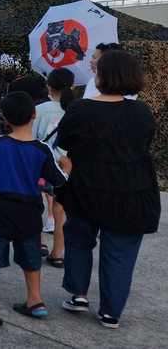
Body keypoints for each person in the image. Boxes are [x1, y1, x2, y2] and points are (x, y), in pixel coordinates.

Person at [56, 50, 160, 329]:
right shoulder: (141, 112)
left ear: (104, 76)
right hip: (131, 190)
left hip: (86, 186)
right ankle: (111, 312)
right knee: (121, 250)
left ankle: (78, 294)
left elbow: (63, 142)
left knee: (78, 239)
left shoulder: (80, 108)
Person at [0, 91, 69, 327]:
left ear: (5, 119)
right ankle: (35, 301)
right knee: (31, 255)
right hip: (28, 211)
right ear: (34, 115)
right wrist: (67, 166)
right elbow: (59, 182)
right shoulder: (42, 150)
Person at [31, 68, 75, 267]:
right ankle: (57, 254)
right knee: (61, 213)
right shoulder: (77, 110)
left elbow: (29, 138)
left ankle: (40, 243)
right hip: (65, 168)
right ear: (72, 87)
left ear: (49, 87)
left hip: (39, 165)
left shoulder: (39, 109)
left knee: (35, 207)